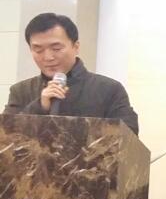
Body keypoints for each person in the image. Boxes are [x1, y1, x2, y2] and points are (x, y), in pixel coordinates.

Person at [4, 12, 138, 134]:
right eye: (38, 50)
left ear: (76, 47)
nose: (48, 57)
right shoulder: (20, 91)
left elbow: (129, 136)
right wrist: (40, 107)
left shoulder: (109, 89)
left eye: (56, 48)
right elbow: (5, 136)